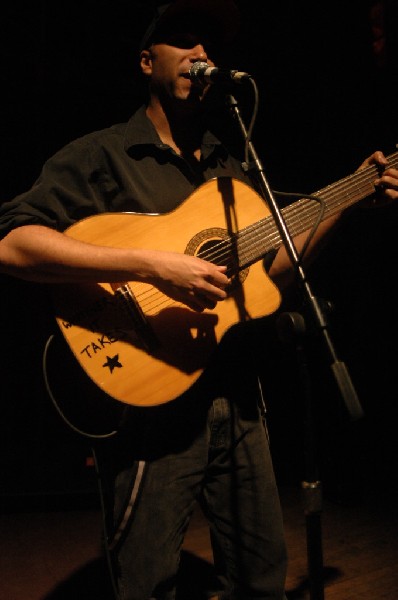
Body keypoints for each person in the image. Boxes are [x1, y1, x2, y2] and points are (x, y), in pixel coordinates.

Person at [1, 1, 397, 599]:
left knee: (261, 578)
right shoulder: (103, 154)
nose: (201, 54)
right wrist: (152, 263)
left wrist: (346, 199)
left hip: (237, 400)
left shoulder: (231, 168)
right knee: (146, 584)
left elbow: (273, 277)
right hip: (150, 411)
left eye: (208, 45)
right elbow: (12, 245)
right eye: (182, 41)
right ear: (145, 61)